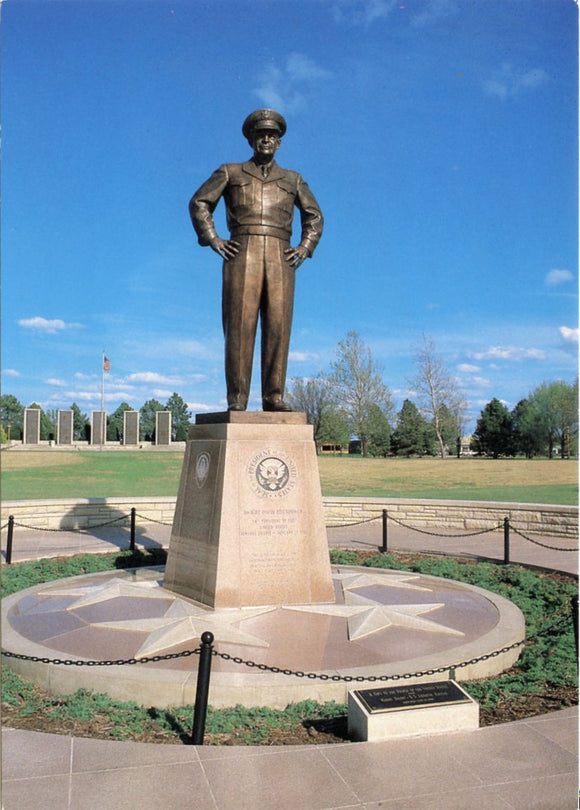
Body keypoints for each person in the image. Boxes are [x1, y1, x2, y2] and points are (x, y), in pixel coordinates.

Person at [189, 109, 323, 412]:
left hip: (281, 254)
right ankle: (237, 398)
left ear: (279, 142)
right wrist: (213, 238)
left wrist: (305, 247)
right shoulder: (231, 172)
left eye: (272, 136)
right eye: (260, 135)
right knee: (240, 324)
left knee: (278, 326)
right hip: (242, 250)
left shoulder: (293, 179)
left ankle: (274, 396)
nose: (266, 139)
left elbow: (314, 216)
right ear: (251, 140)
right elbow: (199, 203)